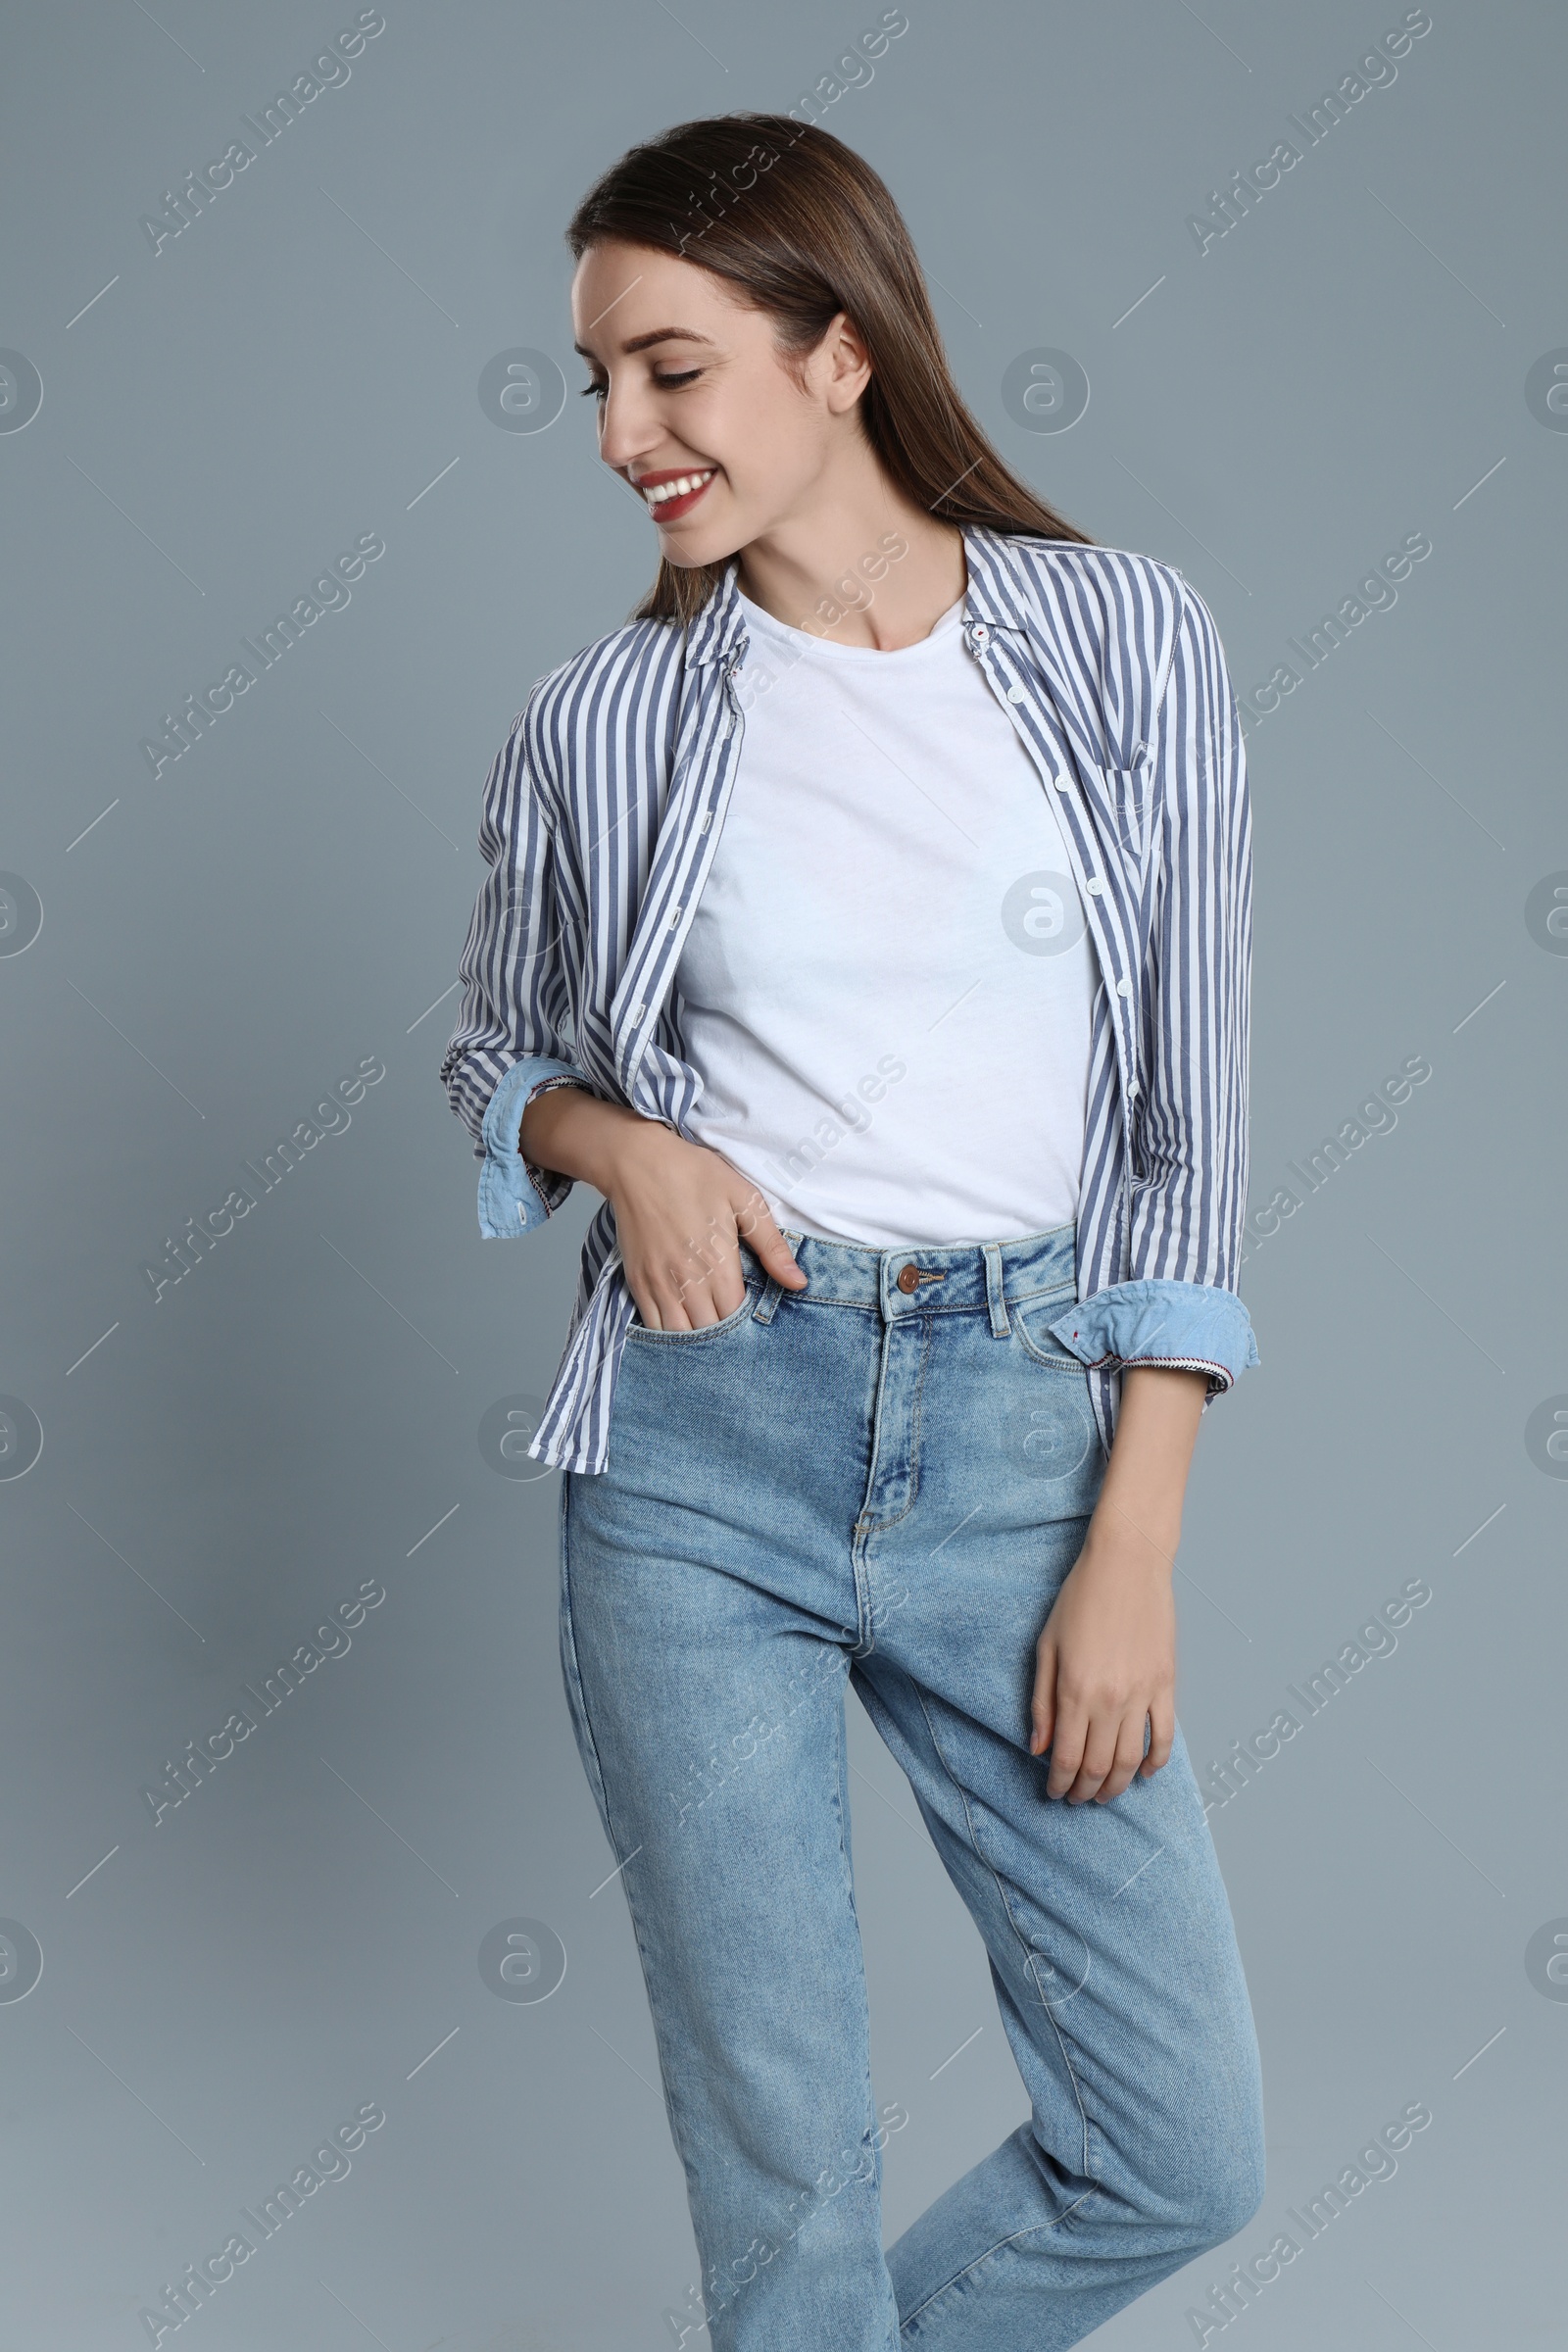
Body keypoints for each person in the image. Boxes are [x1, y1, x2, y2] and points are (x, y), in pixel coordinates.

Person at [439, 111, 1265, 2352]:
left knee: (1179, 2144)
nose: (618, 432)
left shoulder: (1121, 642)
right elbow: (489, 1061)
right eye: (597, 380)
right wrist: (622, 1149)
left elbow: (1186, 1122)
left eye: (668, 368)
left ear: (836, 350)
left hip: (1025, 1444)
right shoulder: (598, 724)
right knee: (786, 2181)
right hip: (700, 1461)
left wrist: (1131, 1542)